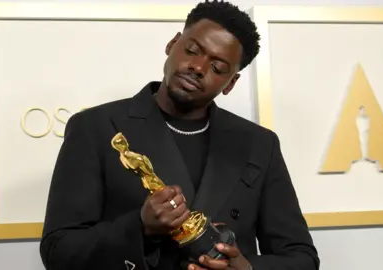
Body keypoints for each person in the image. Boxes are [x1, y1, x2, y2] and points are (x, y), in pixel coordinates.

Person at [39, 1, 320, 269]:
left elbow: (302, 258)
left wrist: (246, 268)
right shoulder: (96, 128)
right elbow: (58, 252)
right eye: (192, 50)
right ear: (172, 44)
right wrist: (140, 228)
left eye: (217, 67)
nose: (198, 67)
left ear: (230, 83)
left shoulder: (260, 144)